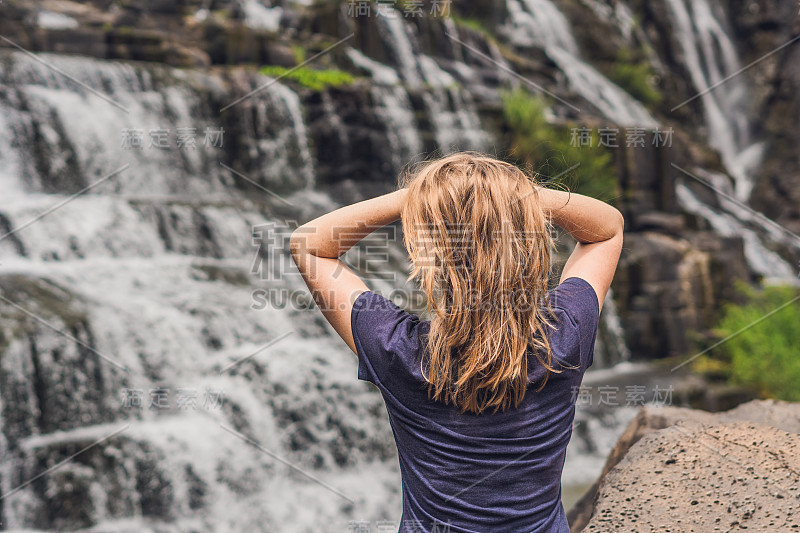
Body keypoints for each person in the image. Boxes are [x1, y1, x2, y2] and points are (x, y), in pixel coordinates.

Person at [289, 152, 624, 532]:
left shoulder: (397, 350)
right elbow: (608, 228)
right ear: (531, 247)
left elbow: (309, 245)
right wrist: (507, 197)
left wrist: (422, 196)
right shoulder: (565, 334)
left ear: (428, 256)